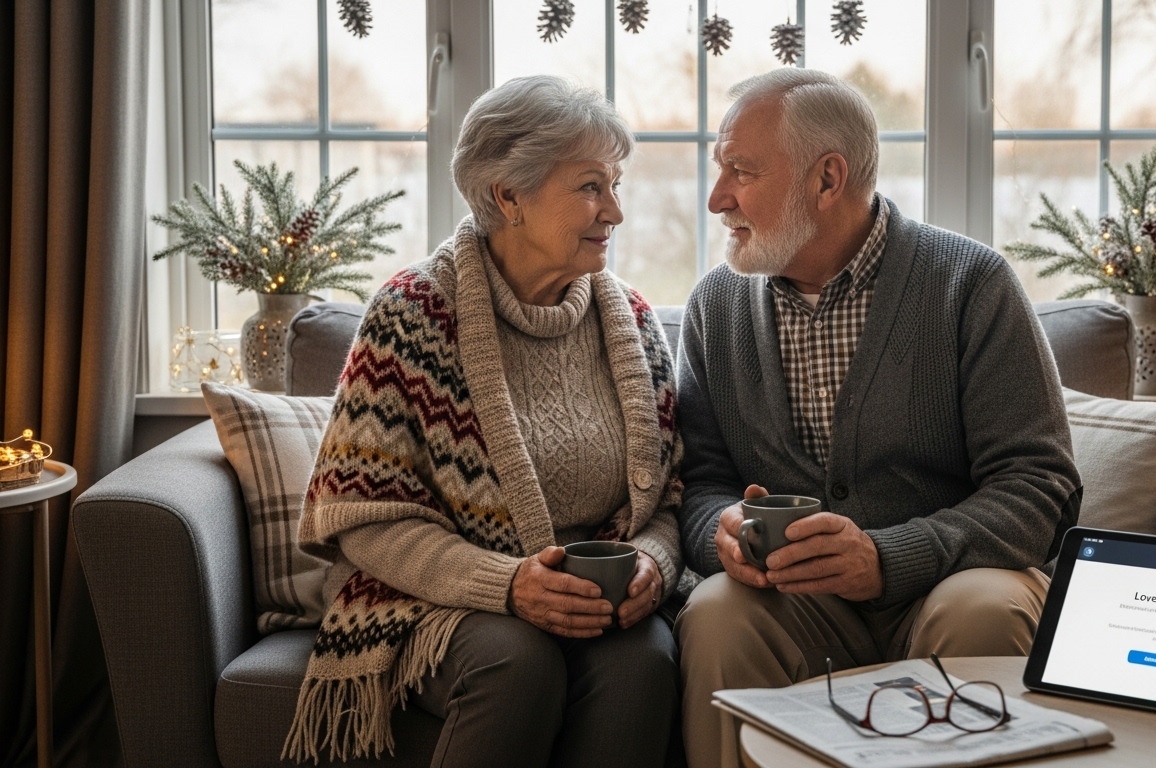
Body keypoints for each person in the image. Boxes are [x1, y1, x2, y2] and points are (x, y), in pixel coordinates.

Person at [673, 68, 1082, 767]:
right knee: (716, 613)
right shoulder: (717, 305)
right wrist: (723, 533)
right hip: (795, 601)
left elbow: (1040, 487)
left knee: (985, 609)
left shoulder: (970, 284)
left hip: (948, 586)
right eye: (720, 169)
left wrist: (888, 559)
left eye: (741, 171)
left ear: (827, 179)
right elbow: (700, 483)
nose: (717, 198)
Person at [282, 75, 684, 768]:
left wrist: (654, 559)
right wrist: (508, 585)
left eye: (616, 185)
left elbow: (667, 499)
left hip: (594, 595)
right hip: (433, 595)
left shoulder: (633, 322)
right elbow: (366, 519)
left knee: (643, 660)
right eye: (591, 186)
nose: (615, 211)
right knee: (517, 660)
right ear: (508, 196)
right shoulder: (412, 316)